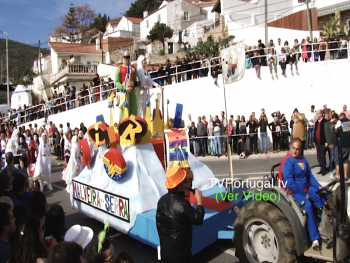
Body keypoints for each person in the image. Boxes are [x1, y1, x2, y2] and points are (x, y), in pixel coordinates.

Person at [282, 138, 327, 250]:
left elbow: (310, 176)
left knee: (323, 197)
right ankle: (314, 238)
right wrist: (302, 193)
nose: (295, 151)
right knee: (307, 205)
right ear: (290, 147)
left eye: (297, 149)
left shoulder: (303, 160)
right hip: (295, 192)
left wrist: (319, 187)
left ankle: (325, 224)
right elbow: (289, 183)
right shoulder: (288, 162)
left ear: (301, 150)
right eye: (293, 148)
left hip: (307, 189)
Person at [156, 166, 204, 263]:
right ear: (180, 185)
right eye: (184, 181)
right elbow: (198, 219)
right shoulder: (182, 205)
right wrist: (199, 200)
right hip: (180, 254)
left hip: (165, 250)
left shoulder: (161, 201)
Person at [114, 50, 140, 118]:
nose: (127, 59)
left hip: (132, 91)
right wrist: (124, 88)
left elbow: (136, 79)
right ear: (123, 58)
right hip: (124, 91)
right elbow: (116, 82)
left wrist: (137, 83)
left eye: (128, 57)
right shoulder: (119, 69)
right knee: (125, 109)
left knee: (133, 108)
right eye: (125, 57)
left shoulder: (133, 68)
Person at [334, 113, 350, 181]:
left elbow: (336, 130)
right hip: (348, 143)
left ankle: (338, 175)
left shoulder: (340, 122)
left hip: (341, 143)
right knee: (345, 159)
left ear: (340, 117)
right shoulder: (349, 122)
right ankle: (346, 175)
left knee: (338, 159)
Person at [314, 109, 328, 175]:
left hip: (323, 141)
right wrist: (314, 141)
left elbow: (326, 132)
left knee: (322, 155)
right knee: (319, 155)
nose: (317, 114)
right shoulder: (317, 122)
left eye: (317, 113)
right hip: (318, 141)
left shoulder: (325, 122)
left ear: (321, 114)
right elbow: (315, 132)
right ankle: (321, 168)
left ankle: (324, 169)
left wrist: (326, 141)